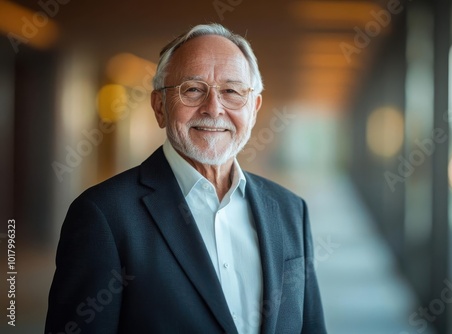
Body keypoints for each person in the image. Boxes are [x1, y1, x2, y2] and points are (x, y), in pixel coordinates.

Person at [45, 23, 326, 334]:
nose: (214, 109)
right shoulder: (104, 215)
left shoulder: (290, 210)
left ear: (254, 108)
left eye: (232, 91)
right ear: (159, 107)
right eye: (193, 89)